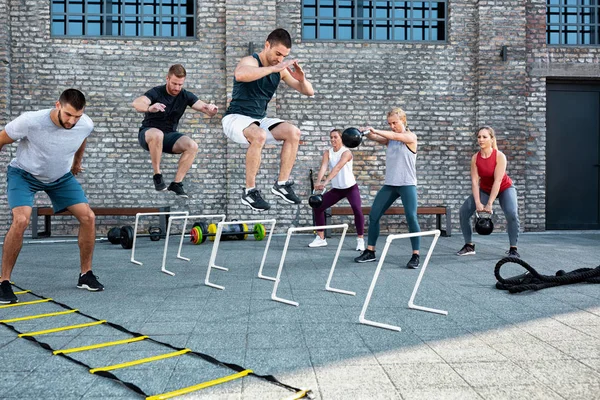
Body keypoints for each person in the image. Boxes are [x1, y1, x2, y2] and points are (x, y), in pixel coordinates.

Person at [0, 89, 103, 303]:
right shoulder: (31, 121)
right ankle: (4, 282)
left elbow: (81, 137)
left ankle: (85, 274)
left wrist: (76, 163)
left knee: (88, 217)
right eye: (68, 115)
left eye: (77, 116)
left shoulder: (84, 124)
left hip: (59, 177)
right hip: (24, 174)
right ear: (57, 105)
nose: (72, 121)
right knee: (21, 220)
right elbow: (1, 138)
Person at [222, 28, 315, 211]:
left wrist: (301, 79)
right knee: (260, 135)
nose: (280, 59)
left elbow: (309, 91)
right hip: (235, 118)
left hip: (259, 119)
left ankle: (281, 184)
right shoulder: (251, 61)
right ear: (267, 45)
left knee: (293, 132)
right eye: (277, 53)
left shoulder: (280, 70)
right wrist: (274, 69)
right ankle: (249, 191)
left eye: (284, 56)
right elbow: (241, 74)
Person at [132, 64, 218, 199]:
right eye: (174, 84)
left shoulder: (185, 95)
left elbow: (205, 108)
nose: (177, 88)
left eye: (180, 84)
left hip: (169, 136)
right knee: (157, 134)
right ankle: (157, 175)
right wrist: (150, 107)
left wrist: (212, 109)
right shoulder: (156, 92)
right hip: (148, 134)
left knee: (192, 146)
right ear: (167, 79)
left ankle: (177, 183)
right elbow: (137, 103)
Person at [354, 108, 422, 269]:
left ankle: (416, 255)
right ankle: (370, 251)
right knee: (374, 215)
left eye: (395, 123)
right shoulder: (390, 139)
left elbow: (396, 136)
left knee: (411, 217)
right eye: (389, 123)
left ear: (403, 120)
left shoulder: (410, 137)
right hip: (391, 184)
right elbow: (378, 137)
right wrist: (366, 132)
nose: (392, 126)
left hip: (407, 184)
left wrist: (376, 130)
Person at [456, 126, 520, 257]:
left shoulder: (499, 156)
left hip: (504, 188)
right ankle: (469, 246)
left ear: (492, 139)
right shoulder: (475, 158)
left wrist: (489, 203)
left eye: (484, 137)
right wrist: (478, 203)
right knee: (464, 212)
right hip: (485, 189)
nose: (481, 139)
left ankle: (513, 248)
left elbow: (497, 181)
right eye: (479, 137)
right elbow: (474, 182)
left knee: (512, 213)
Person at [308, 129, 365, 250]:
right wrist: (318, 182)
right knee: (318, 207)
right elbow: (323, 167)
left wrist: (326, 182)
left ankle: (360, 239)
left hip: (350, 188)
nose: (333, 139)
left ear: (341, 139)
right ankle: (321, 238)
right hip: (337, 189)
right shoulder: (328, 152)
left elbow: (338, 167)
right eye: (331, 137)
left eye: (335, 137)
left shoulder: (346, 152)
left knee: (357, 209)